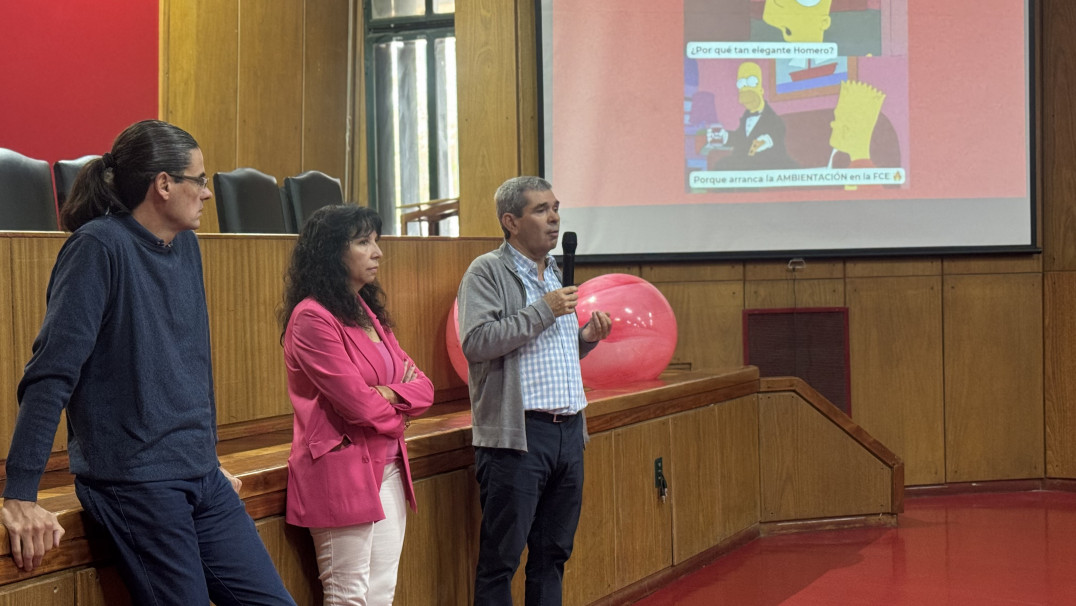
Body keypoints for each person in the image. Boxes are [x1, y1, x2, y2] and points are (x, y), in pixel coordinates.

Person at [0, 120, 296, 605]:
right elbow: (51, 374)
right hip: (136, 482)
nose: (207, 193)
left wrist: (204, 452)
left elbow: (193, 359)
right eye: (199, 180)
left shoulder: (186, 246)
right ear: (162, 184)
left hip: (198, 473)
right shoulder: (97, 247)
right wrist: (20, 493)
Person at [457, 176, 613, 605]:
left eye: (556, 207)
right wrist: (544, 310)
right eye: (541, 210)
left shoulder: (556, 272)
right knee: (501, 561)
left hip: (568, 432)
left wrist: (586, 338)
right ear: (510, 221)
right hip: (518, 439)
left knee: (552, 555)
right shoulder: (487, 271)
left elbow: (548, 354)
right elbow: (477, 342)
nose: (555, 218)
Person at [280, 204, 434, 604]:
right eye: (364, 242)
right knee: (349, 596)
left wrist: (387, 394)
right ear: (332, 251)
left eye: (376, 241)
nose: (377, 252)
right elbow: (358, 405)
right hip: (341, 469)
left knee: (382, 591)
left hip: (388, 466)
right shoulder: (310, 318)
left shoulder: (364, 309)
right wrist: (396, 411)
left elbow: (425, 387)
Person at [710, 61, 797, 171]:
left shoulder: (774, 119)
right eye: (745, 101)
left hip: (767, 161)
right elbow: (740, 138)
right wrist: (724, 136)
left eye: (751, 98)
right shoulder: (746, 117)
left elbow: (777, 133)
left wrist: (765, 141)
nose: (746, 103)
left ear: (761, 91)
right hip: (745, 161)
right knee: (721, 166)